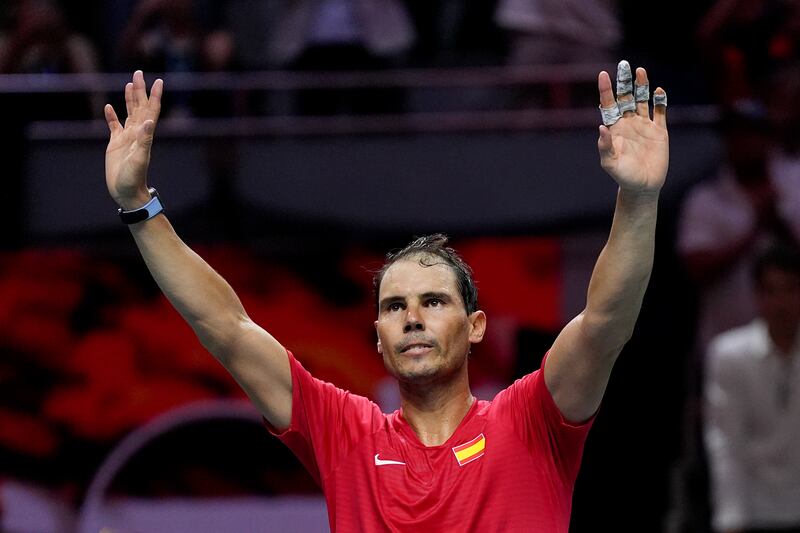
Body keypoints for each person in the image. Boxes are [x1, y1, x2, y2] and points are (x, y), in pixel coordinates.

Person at [102, 60, 668, 530]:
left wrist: (638, 202)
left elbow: (604, 322)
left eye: (435, 301)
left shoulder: (532, 420)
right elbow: (226, 326)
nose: (413, 318)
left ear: (476, 325)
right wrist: (139, 207)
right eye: (394, 308)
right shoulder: (343, 433)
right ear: (378, 336)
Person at [704, 243, 800, 533]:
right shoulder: (729, 353)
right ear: (757, 296)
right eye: (771, 291)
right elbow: (725, 442)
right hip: (754, 510)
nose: (781, 302)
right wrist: (730, 519)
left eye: (790, 290)